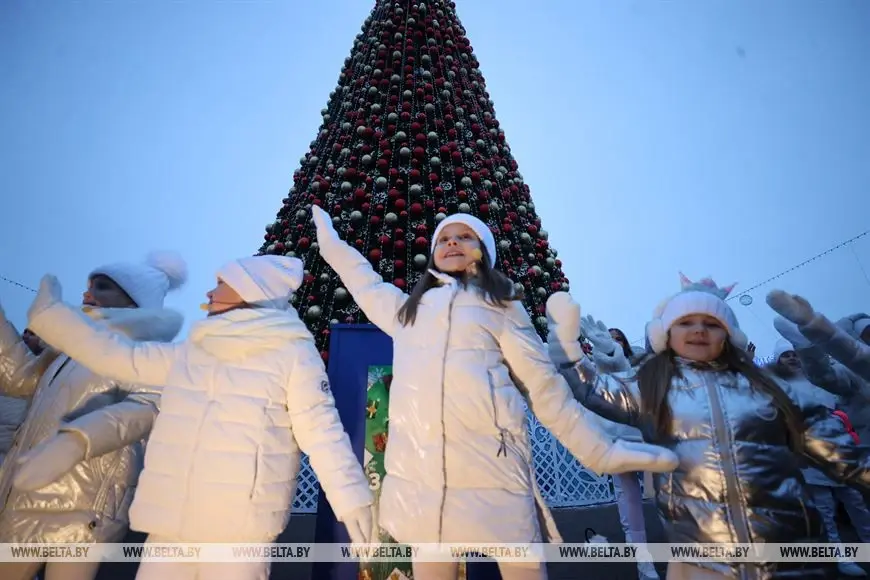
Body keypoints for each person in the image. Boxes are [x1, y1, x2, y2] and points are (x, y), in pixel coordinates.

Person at [310, 205, 677, 580]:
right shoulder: (408, 311)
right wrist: (333, 246)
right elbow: (366, 284)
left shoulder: (502, 307)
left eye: (465, 236)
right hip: (421, 485)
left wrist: (600, 451)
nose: (453, 241)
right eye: (445, 238)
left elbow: (544, 388)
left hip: (495, 476)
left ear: (483, 250)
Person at [26, 254, 374, 580]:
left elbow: (322, 430)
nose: (209, 291)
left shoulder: (292, 352)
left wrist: (352, 498)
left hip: (237, 531)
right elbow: (123, 357)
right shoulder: (195, 349)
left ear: (249, 290)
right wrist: (54, 319)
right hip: (170, 523)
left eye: (220, 282)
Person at [549, 274, 870, 580]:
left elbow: (835, 449)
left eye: (711, 323)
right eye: (685, 322)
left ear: (729, 334)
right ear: (667, 336)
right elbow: (597, 391)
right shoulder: (654, 389)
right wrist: (567, 352)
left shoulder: (766, 388)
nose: (699, 330)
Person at [0, 252, 187, 580]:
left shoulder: (147, 351)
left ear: (132, 302)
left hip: (85, 505)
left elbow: (145, 409)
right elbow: (20, 380)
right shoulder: (70, 349)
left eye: (101, 287)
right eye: (88, 286)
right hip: (28, 493)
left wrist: (74, 442)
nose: (87, 294)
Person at [766, 339, 870, 577]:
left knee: (857, 504)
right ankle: (841, 557)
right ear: (778, 361)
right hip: (809, 457)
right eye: (785, 355)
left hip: (842, 454)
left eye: (794, 354)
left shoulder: (820, 381)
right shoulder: (780, 387)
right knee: (825, 511)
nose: (792, 358)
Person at [573, 315, 658, 580]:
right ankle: (644, 564)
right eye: (607, 338)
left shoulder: (638, 366)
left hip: (646, 438)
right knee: (629, 502)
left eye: (616, 337)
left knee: (669, 497)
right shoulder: (595, 372)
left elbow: (624, 368)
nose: (611, 341)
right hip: (615, 443)